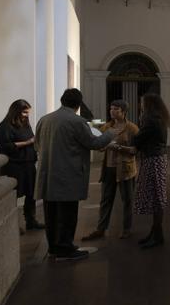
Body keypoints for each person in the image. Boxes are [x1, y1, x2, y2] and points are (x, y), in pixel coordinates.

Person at [35, 89, 116, 261]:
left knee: (51, 214)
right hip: (67, 175)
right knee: (67, 214)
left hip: (48, 174)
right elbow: (93, 143)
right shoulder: (77, 121)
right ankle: (65, 250)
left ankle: (54, 248)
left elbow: (37, 145)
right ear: (78, 104)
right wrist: (110, 134)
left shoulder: (44, 119)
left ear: (62, 100)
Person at [82, 100, 139, 241]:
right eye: (111, 109)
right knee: (106, 199)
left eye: (116, 109)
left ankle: (127, 228)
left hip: (125, 169)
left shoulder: (132, 128)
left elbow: (136, 150)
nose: (112, 111)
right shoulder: (107, 127)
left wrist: (119, 148)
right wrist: (103, 145)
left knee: (127, 200)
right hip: (108, 168)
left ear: (124, 112)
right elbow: (99, 144)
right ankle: (101, 229)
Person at [0, 99, 43, 232]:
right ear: (15, 111)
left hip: (28, 164)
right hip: (14, 166)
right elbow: (3, 146)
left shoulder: (25, 124)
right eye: (24, 112)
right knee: (13, 196)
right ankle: (12, 225)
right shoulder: (4, 126)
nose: (26, 115)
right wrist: (27, 142)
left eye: (28, 112)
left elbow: (32, 139)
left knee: (31, 194)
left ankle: (31, 221)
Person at [131, 93, 170, 248]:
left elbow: (138, 139)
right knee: (156, 197)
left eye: (142, 103)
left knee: (157, 198)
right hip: (157, 158)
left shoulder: (151, 119)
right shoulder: (159, 118)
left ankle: (158, 235)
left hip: (153, 159)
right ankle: (155, 233)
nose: (141, 105)